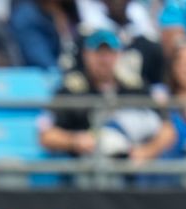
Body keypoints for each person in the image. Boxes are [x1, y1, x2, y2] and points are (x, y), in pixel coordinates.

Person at [37, 29, 176, 163]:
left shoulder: (135, 87)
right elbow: (45, 135)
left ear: (119, 55)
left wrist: (147, 151)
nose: (104, 60)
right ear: (86, 55)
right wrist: (75, 140)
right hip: (87, 170)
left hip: (132, 168)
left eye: (109, 53)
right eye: (98, 53)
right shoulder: (71, 90)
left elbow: (167, 130)